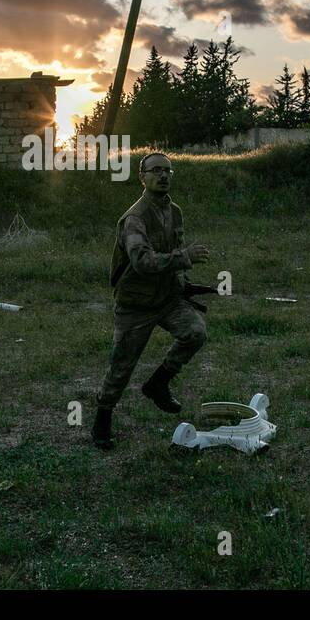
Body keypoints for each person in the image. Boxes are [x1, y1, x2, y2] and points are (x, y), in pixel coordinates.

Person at [92, 152, 209, 450]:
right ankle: (102, 417)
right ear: (141, 177)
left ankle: (158, 384)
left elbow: (173, 248)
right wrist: (184, 259)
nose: (163, 175)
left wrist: (184, 285)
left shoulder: (175, 211)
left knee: (195, 332)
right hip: (136, 303)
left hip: (167, 298)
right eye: (155, 170)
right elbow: (142, 261)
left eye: (168, 170)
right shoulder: (134, 218)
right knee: (121, 366)